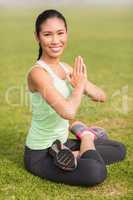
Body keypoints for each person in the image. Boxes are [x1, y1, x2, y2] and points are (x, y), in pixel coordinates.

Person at [24, 9, 126, 186]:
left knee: (118, 149)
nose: (55, 40)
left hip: (61, 143)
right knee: (95, 171)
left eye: (60, 33)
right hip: (40, 153)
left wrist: (83, 81)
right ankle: (85, 136)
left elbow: (101, 96)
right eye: (48, 34)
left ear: (67, 34)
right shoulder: (38, 74)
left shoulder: (66, 68)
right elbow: (68, 112)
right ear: (37, 37)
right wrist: (79, 88)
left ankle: (69, 153)